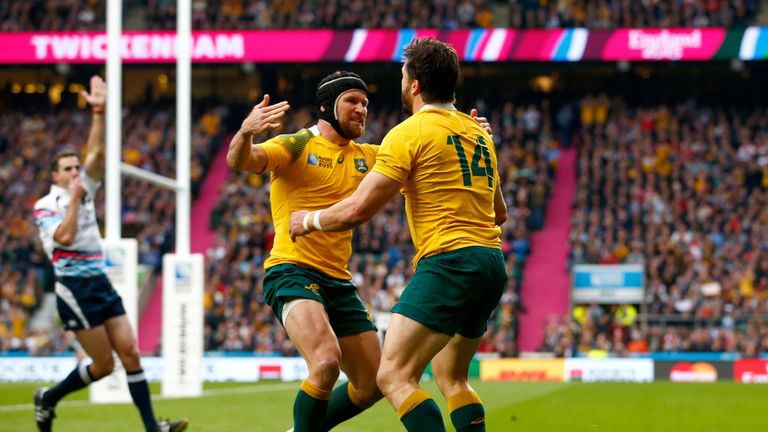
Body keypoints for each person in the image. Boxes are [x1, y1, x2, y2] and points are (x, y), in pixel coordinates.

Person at [227, 71, 493, 432]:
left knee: (372, 384)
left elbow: (425, 150)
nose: (361, 109)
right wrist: (246, 132)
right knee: (324, 363)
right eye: (352, 101)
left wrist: (466, 134)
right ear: (327, 106)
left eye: (365, 103)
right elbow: (241, 160)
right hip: (292, 270)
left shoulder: (371, 155)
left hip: (339, 281)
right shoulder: (295, 145)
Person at [289, 38, 508, 432]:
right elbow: (500, 213)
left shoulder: (410, 132)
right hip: (491, 262)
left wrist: (309, 220)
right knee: (452, 377)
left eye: (404, 76)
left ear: (415, 85)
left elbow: (358, 209)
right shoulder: (478, 134)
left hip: (449, 260)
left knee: (392, 376)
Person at [32, 75, 187, 432]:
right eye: (68, 169)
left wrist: (99, 110)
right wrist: (73, 200)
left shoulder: (83, 188)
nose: (76, 172)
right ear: (55, 176)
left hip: (98, 281)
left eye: (77, 168)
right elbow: (66, 236)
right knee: (103, 366)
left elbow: (98, 153)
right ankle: (50, 397)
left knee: (130, 353)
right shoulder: (46, 205)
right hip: (74, 289)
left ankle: (152, 428)